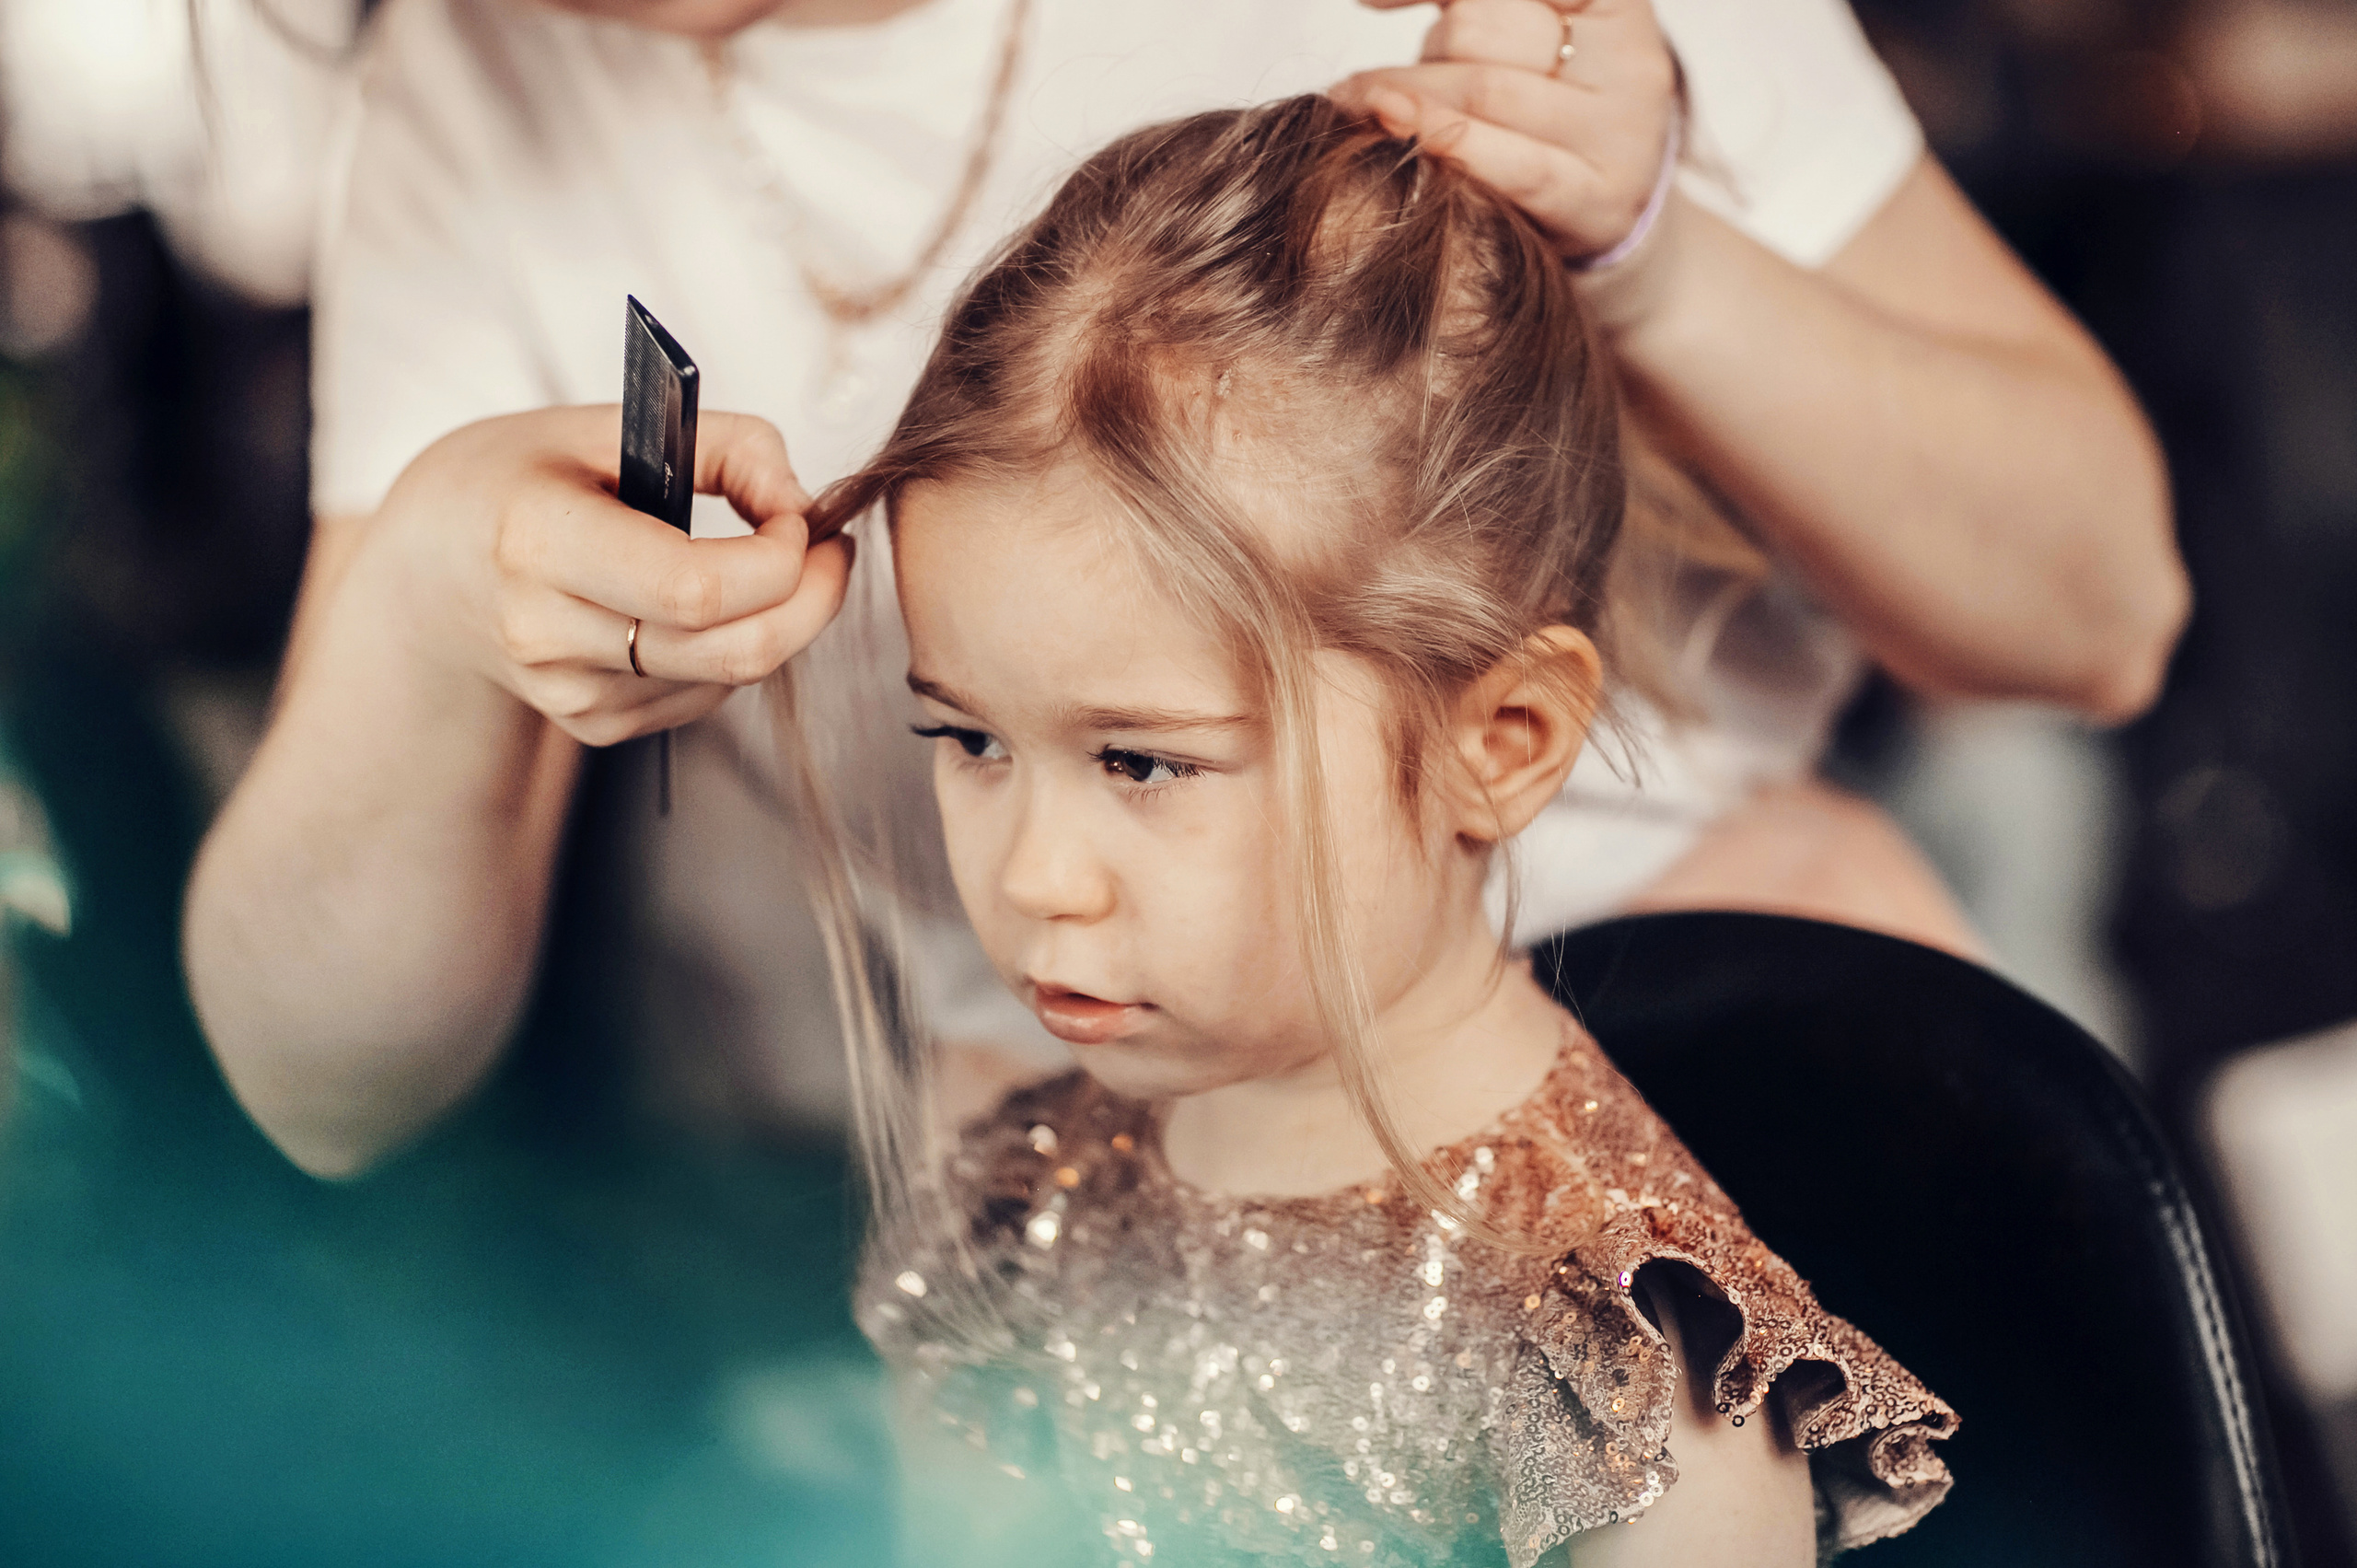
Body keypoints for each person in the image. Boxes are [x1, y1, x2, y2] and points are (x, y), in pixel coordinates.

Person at [182, 0, 2187, 1179]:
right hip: (1073, 1218)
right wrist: (439, 601)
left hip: (1718, 1099)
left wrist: (1652, 251)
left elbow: (2097, 604)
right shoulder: (466, 80)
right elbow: (321, 1087)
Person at [843, 96, 1955, 1566]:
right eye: (971, 739)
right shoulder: (1017, 1214)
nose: (1034, 879)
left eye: (1143, 763)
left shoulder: (1612, 1374)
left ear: (1498, 746)